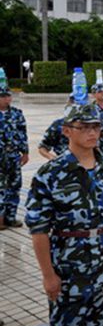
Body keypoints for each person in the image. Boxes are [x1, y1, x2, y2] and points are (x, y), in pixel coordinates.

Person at [25, 103, 103, 326]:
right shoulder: (49, 174)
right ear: (66, 131)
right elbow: (39, 230)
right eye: (84, 127)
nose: (92, 133)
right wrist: (48, 275)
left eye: (96, 127)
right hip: (69, 272)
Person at [0, 85, 29, 229]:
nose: (7, 99)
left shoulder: (17, 113)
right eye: (3, 96)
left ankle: (10, 217)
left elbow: (23, 133)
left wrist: (25, 152)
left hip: (13, 156)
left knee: (14, 186)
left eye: (8, 96)